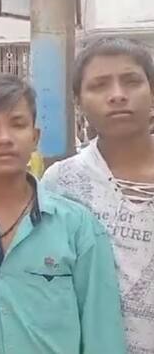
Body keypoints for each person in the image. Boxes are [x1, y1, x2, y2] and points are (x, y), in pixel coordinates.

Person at [0, 74, 126, 354]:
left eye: (17, 124)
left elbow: (103, 336)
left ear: (35, 137)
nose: (4, 139)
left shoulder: (77, 227)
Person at [43, 38, 154, 354]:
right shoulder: (61, 183)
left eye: (131, 81)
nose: (117, 95)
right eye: (99, 85)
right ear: (78, 102)